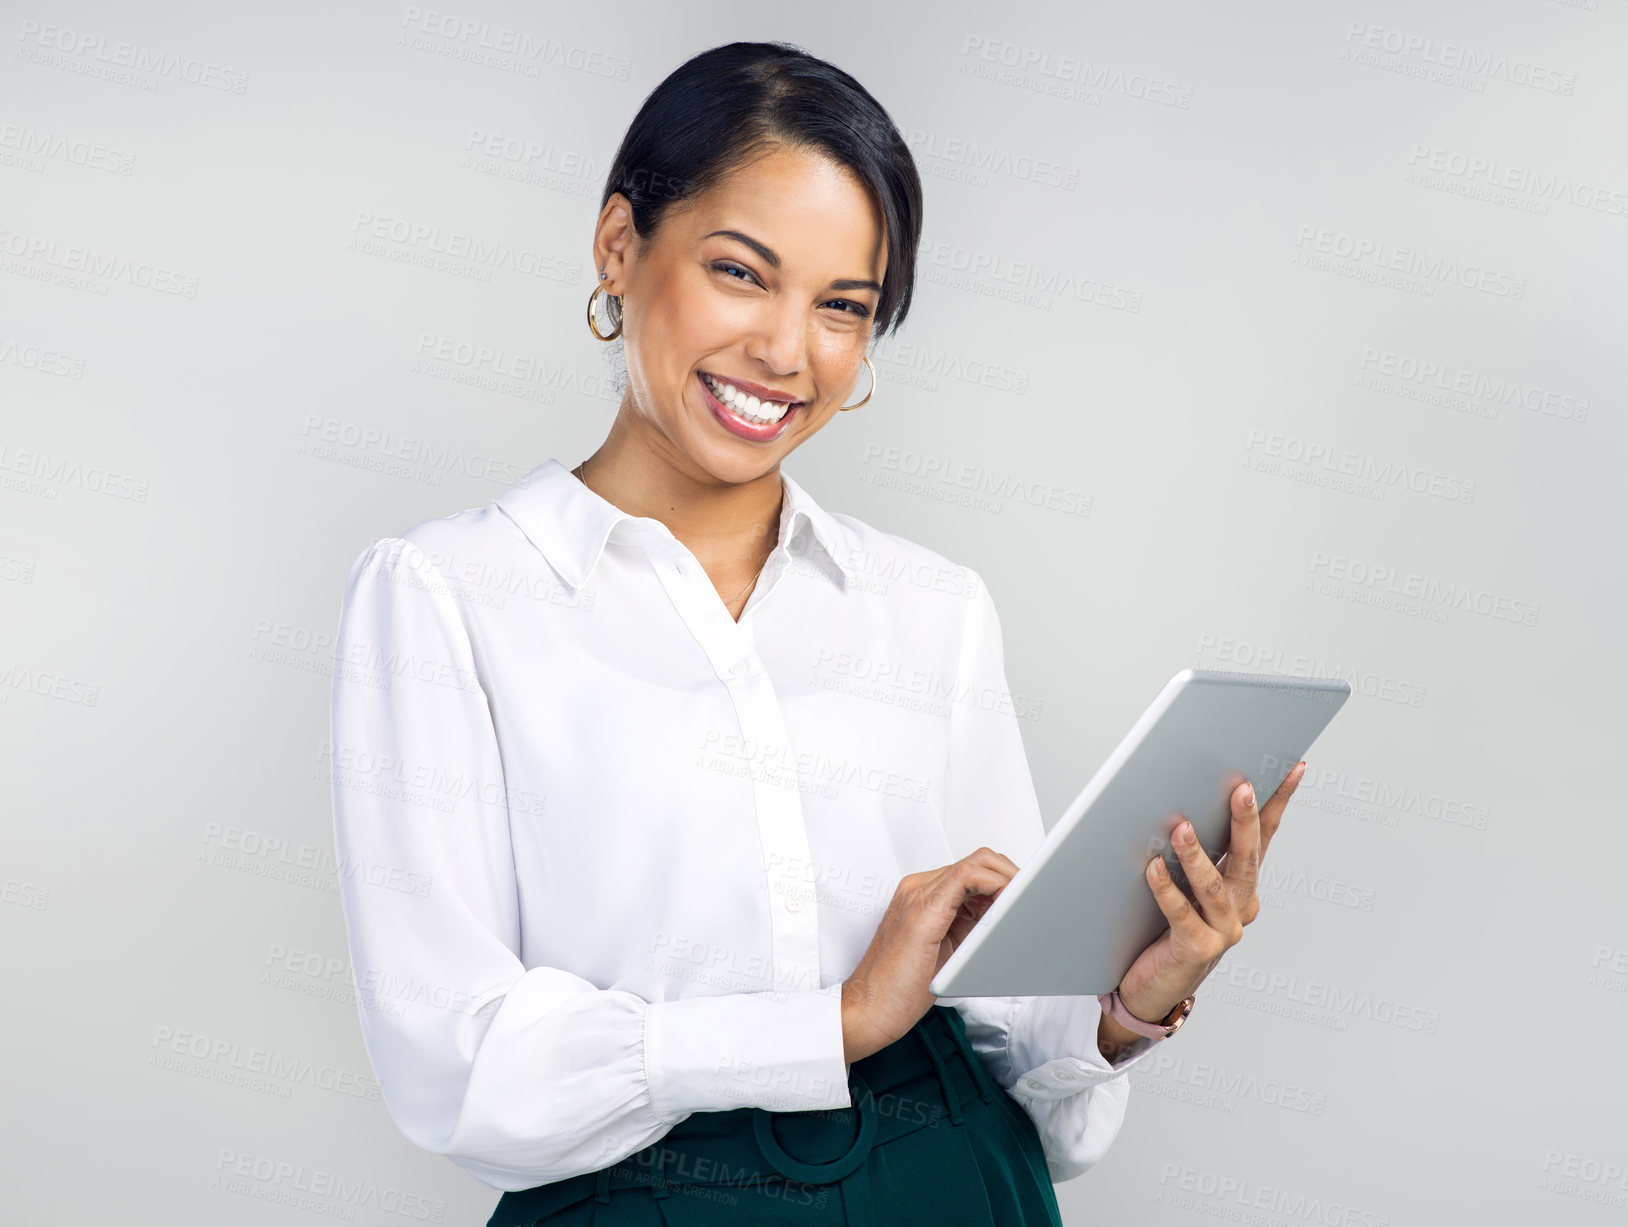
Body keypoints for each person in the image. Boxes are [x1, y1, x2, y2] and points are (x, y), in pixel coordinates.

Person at [328, 40, 1308, 1226]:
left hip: (957, 1178)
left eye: (843, 307)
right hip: (643, 1200)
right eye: (742, 273)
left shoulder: (929, 606)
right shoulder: (447, 595)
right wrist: (828, 1024)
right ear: (618, 247)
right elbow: (456, 1062)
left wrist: (1122, 1007)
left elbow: (1016, 1046)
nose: (788, 353)